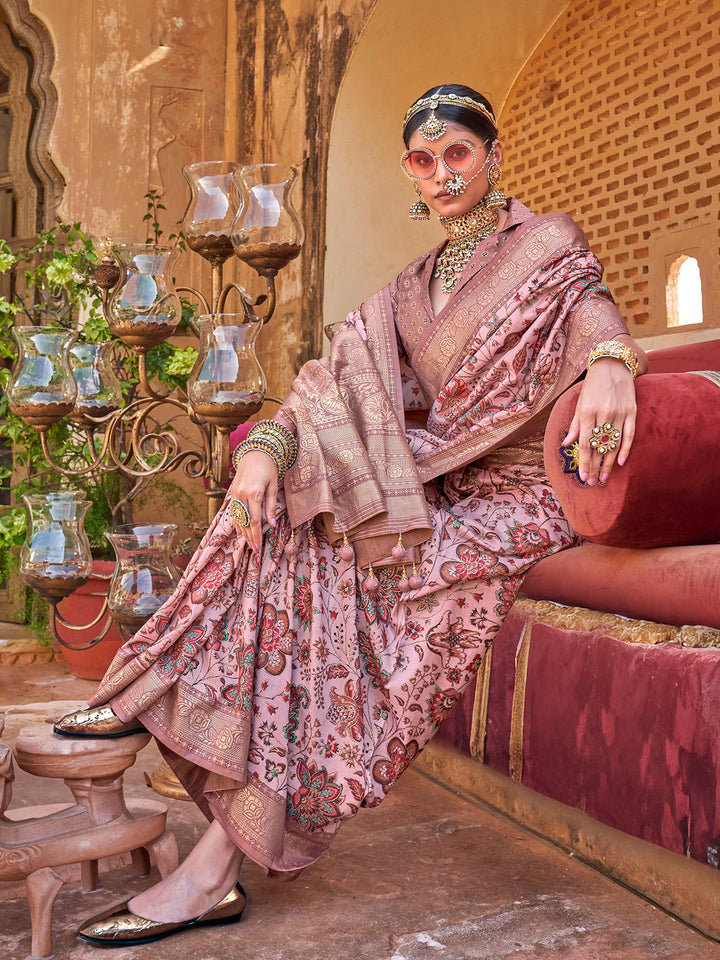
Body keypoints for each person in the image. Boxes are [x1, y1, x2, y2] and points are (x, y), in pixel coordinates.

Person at [54, 83, 647, 947]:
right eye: (423, 159)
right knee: (290, 524)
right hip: (439, 487)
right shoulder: (410, 291)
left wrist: (612, 362)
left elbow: (589, 306)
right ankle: (182, 765)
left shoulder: (546, 245)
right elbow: (333, 376)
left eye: (458, 153)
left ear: (493, 157)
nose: (442, 174)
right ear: (409, 172)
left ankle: (200, 829)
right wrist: (264, 451)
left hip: (520, 498)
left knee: (355, 601)